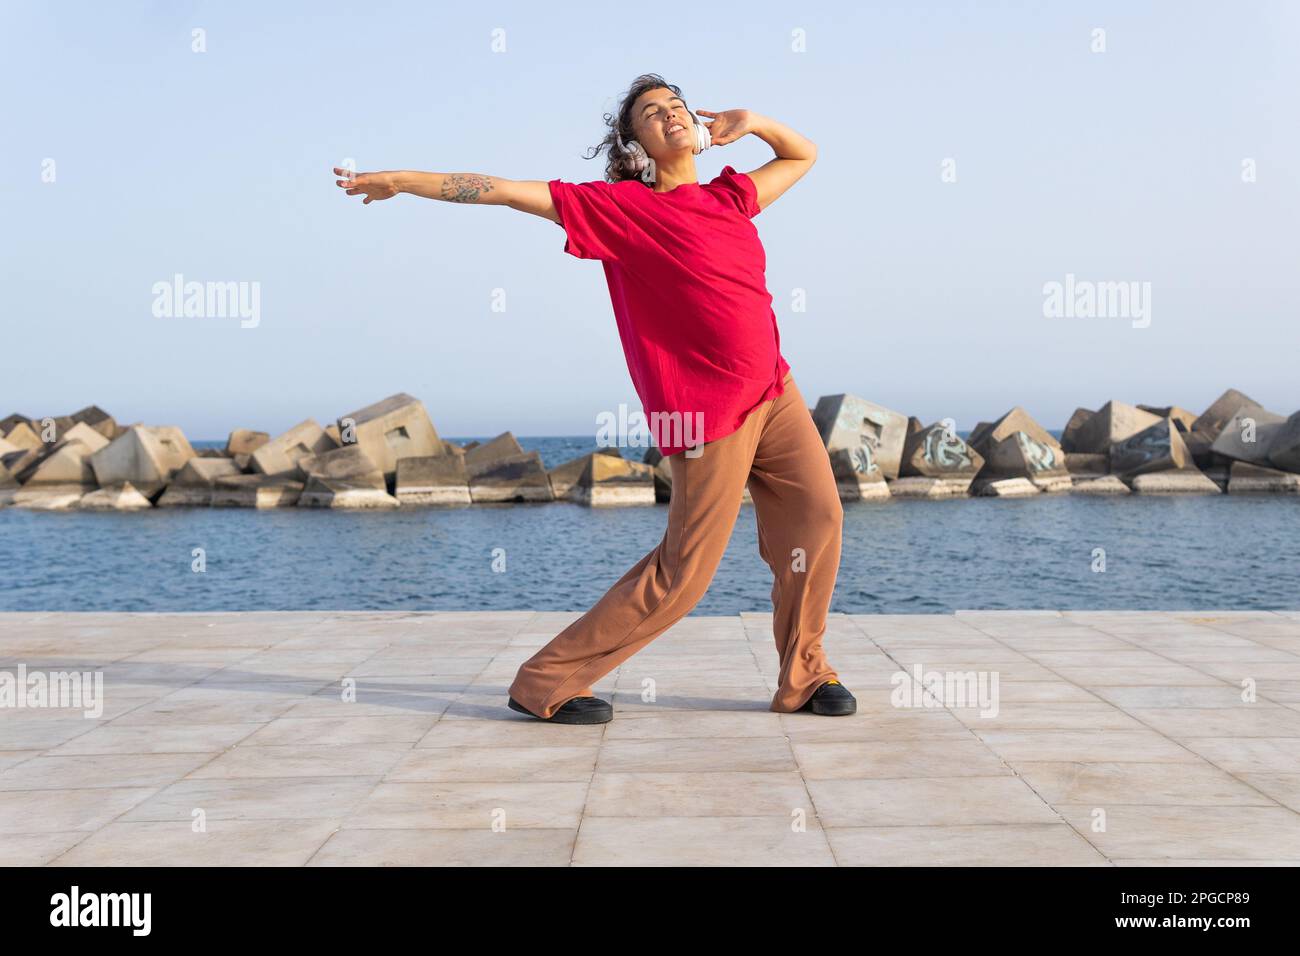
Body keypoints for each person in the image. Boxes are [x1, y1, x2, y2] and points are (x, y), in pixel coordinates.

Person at [334, 73, 855, 724]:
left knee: (817, 519)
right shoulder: (618, 208)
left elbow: (802, 154)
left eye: (675, 105)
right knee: (683, 574)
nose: (668, 114)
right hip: (705, 411)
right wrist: (402, 180)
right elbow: (498, 191)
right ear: (633, 143)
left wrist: (753, 122)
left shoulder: (732, 196)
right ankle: (544, 682)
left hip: (773, 390)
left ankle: (803, 676)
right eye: (649, 112)